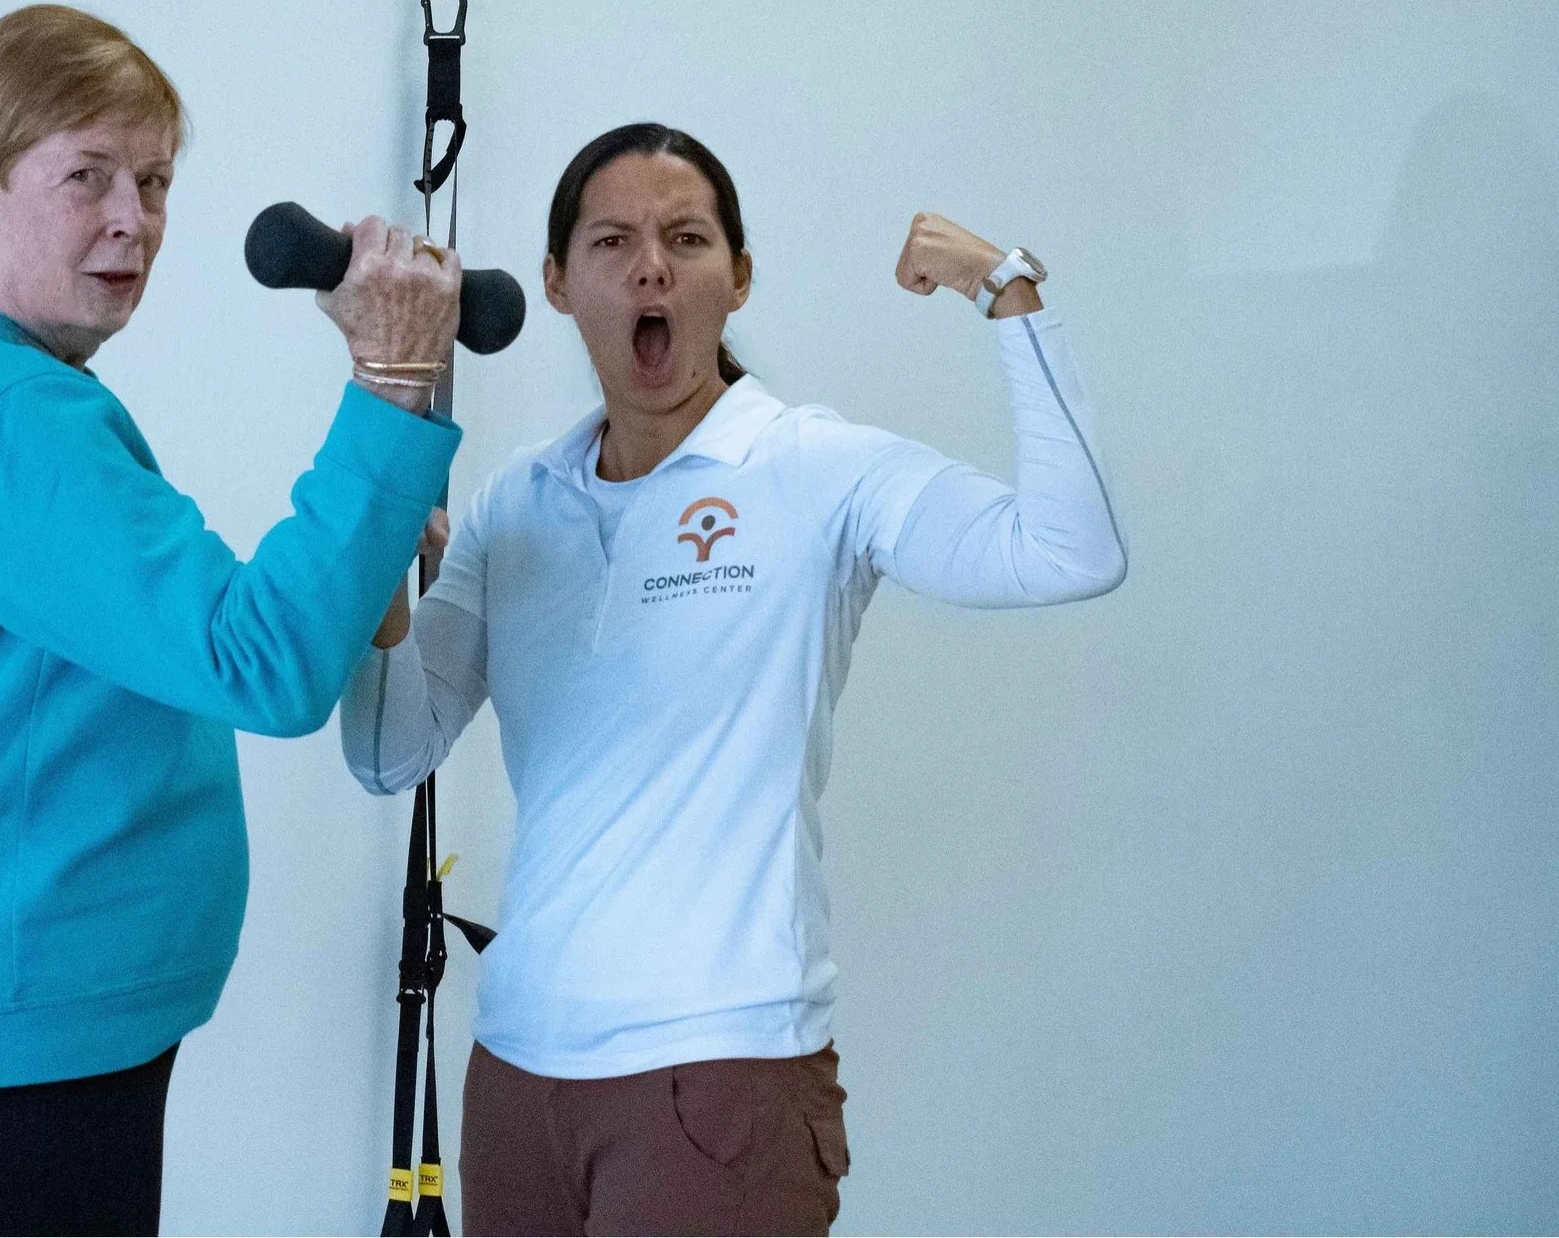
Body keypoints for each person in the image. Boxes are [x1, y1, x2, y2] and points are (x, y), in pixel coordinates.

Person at [342, 122, 1128, 1236]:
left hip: (719, 1079)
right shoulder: (516, 502)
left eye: (686, 237)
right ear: (561, 284)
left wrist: (1004, 289)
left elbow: (1072, 549)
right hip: (517, 1075)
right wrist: (375, 572)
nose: (650, 264)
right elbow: (389, 750)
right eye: (611, 239)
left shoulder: (814, 465)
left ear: (739, 276)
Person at [0, 4, 465, 1236]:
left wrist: (364, 537)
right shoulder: (10, 421)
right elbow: (259, 663)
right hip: (14, 1039)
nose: (133, 219)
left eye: (152, 181)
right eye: (86, 176)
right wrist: (392, 381)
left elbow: (184, 629)